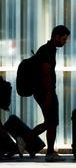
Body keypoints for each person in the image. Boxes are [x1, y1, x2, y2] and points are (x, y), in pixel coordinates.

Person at [30, 25, 70, 162]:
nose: (65, 42)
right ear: (56, 37)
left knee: (50, 122)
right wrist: (49, 94)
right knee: (52, 122)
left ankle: (26, 139)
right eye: (63, 39)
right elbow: (46, 73)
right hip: (45, 91)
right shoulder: (47, 51)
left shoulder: (48, 50)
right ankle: (50, 152)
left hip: (43, 91)